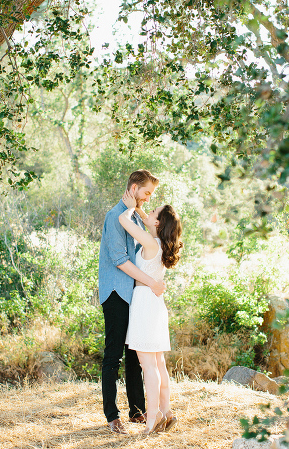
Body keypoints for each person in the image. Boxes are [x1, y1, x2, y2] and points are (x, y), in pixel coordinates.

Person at [97, 169, 167, 434]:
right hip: (116, 292)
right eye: (146, 192)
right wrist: (152, 283)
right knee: (113, 355)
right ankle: (112, 416)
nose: (148, 198)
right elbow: (120, 261)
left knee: (135, 354)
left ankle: (137, 411)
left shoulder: (134, 218)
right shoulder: (114, 216)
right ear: (134, 188)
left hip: (136, 295)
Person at [119, 194, 184, 434]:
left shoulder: (149, 242)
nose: (149, 213)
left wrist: (128, 209)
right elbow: (150, 221)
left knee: (148, 365)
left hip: (145, 303)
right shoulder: (161, 244)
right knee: (158, 363)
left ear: (158, 224)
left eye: (153, 212)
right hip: (156, 304)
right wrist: (142, 210)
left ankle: (153, 417)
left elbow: (124, 221)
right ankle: (166, 412)